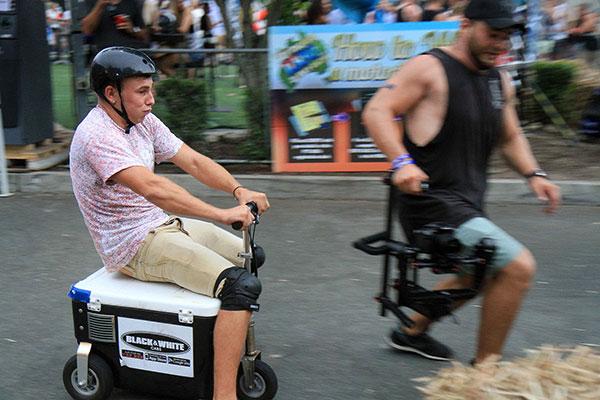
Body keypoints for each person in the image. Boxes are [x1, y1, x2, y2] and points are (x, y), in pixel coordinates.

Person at [362, 0, 561, 364]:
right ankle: (486, 372)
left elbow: (510, 136)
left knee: (482, 272)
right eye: (492, 35)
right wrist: (402, 162)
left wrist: (535, 174)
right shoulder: (430, 68)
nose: (499, 45)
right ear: (465, 26)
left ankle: (411, 330)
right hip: (429, 202)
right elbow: (377, 110)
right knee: (516, 266)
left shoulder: (498, 80)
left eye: (505, 38)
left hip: (466, 203)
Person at [69, 46, 270, 399]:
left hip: (162, 224)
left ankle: (218, 341)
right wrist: (223, 214)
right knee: (240, 287)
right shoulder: (97, 135)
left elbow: (192, 161)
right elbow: (154, 188)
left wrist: (238, 190)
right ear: (111, 93)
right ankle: (224, 394)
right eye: (142, 91)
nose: (152, 100)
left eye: (151, 89)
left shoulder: (141, 121)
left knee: (251, 254)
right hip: (131, 244)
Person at [81, 0, 149, 57]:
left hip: (129, 52)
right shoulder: (91, 2)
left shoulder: (131, 2)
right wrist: (100, 5)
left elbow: (144, 34)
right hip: (103, 54)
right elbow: (86, 30)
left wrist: (132, 30)